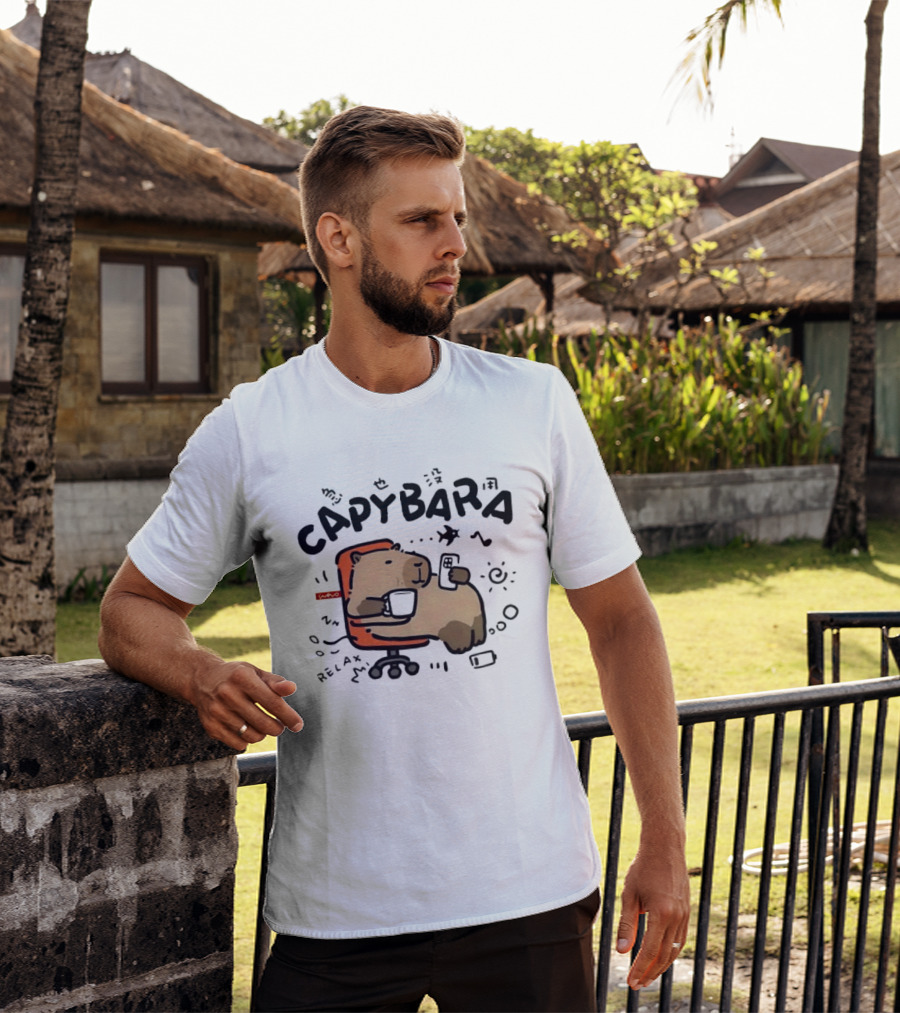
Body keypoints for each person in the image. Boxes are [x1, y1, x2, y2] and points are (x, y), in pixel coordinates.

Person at [99, 105, 690, 1013]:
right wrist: (200, 672)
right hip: (336, 909)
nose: (454, 242)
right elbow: (128, 610)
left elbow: (620, 620)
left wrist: (663, 834)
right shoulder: (255, 429)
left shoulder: (531, 404)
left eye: (455, 216)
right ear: (338, 237)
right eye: (421, 220)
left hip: (529, 892)